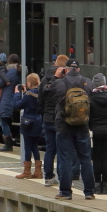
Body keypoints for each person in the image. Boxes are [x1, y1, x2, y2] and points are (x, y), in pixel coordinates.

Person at [51, 61, 95, 200]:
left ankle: (65, 192)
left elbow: (51, 96)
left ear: (66, 70)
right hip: (82, 126)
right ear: (79, 69)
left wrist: (56, 77)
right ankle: (89, 192)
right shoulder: (87, 82)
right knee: (86, 159)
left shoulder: (60, 83)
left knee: (65, 159)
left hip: (64, 126)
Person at [39, 55, 69, 186]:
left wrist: (44, 113)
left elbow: (40, 100)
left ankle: (48, 177)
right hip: (60, 119)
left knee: (50, 149)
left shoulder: (45, 79)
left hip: (47, 118)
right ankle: (63, 178)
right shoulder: (64, 81)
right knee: (62, 149)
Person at [0, 54, 20, 152]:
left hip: (6, 100)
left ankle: (8, 144)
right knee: (3, 121)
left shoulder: (11, 72)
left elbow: (0, 83)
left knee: (3, 121)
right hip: (7, 99)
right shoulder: (15, 71)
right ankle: (8, 143)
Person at [15, 74, 43, 179]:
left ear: (29, 83)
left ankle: (27, 171)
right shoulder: (41, 94)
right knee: (35, 146)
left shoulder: (27, 96)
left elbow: (18, 105)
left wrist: (17, 94)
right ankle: (38, 171)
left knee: (27, 147)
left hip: (28, 122)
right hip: (38, 122)